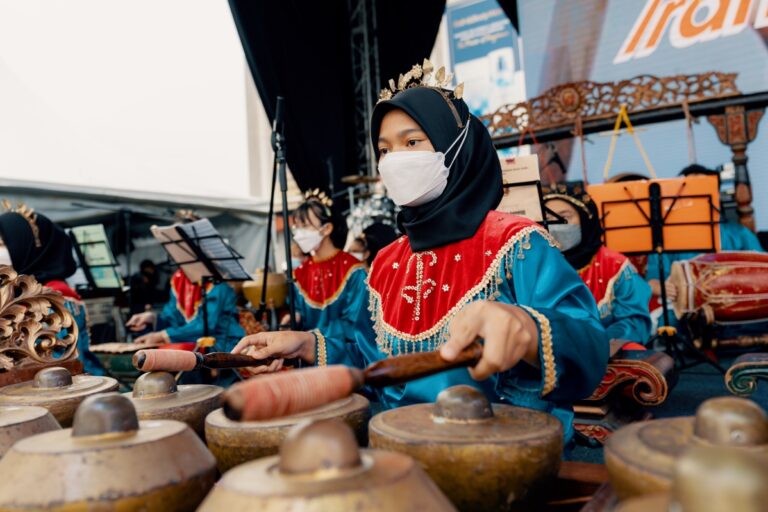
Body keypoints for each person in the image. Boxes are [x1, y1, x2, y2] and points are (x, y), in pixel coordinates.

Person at [233, 65, 609, 444]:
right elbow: (370, 359)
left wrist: (527, 328)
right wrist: (306, 343)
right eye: (384, 149)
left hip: (501, 451)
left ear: (455, 145)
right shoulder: (385, 262)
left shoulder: (516, 242)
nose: (394, 159)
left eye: (412, 143)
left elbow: (588, 344)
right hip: (401, 444)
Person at [0, 207, 106, 375]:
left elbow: (60, 370)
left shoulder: (55, 300)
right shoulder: (15, 294)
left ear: (25, 248)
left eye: (2, 243)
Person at [544, 185, 652, 345]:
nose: (556, 225)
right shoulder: (537, 265)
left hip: (608, 353)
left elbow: (635, 321)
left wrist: (600, 344)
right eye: (549, 218)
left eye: (564, 216)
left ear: (585, 218)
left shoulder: (615, 264)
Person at [647, 164, 764, 302]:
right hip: (684, 309)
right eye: (690, 188)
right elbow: (652, 282)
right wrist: (660, 287)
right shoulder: (666, 237)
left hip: (735, 305)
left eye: (702, 187)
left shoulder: (739, 234)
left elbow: (763, 272)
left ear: (717, 194)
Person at [287, 190, 367, 341]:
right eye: (296, 227)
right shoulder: (299, 273)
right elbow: (299, 313)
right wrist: (292, 320)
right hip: (306, 356)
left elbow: (356, 323)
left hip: (345, 356)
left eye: (305, 225)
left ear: (327, 229)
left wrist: (311, 339)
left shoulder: (354, 270)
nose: (299, 233)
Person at [126, 269, 245, 353]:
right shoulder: (179, 280)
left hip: (222, 343)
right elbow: (172, 318)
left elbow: (206, 325)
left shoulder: (219, 283)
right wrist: (152, 318)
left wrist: (162, 335)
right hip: (190, 340)